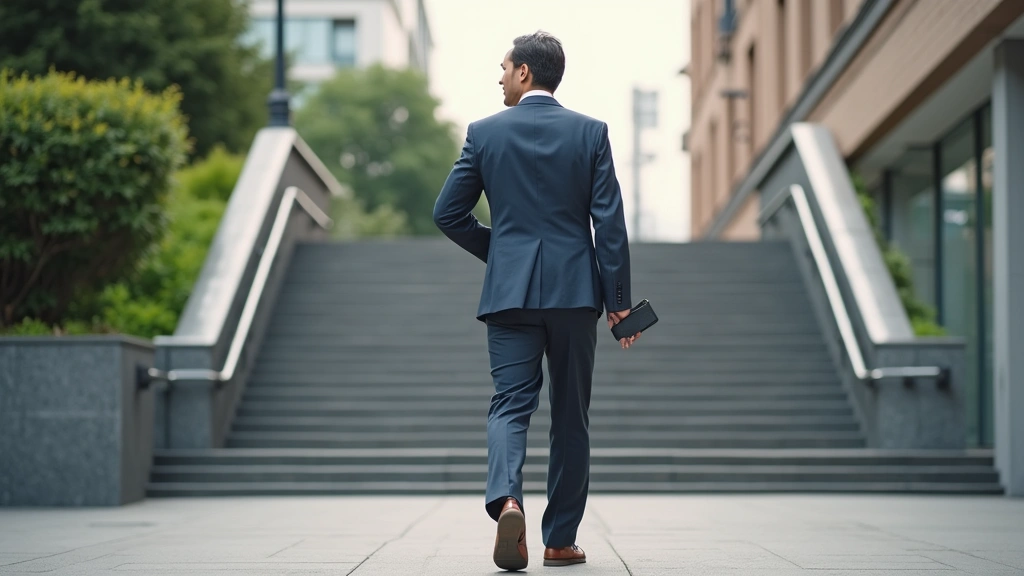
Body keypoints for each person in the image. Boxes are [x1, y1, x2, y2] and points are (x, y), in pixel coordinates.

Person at [433, 31, 638, 571]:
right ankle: (559, 540)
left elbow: (447, 214)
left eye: (502, 68)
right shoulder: (591, 133)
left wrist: (502, 255)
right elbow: (609, 223)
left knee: (510, 405)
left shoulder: (483, 134)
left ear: (524, 72)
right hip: (574, 294)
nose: (498, 77)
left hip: (509, 296)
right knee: (571, 415)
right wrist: (619, 300)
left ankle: (507, 500)